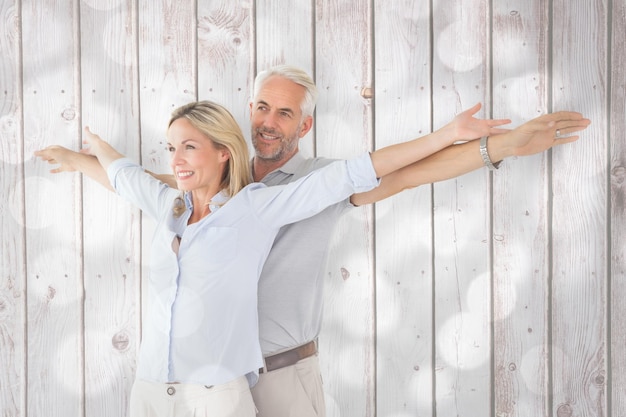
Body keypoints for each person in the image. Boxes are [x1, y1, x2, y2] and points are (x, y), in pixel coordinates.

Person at [35, 66, 591, 417]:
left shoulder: (309, 185)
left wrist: (499, 148)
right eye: (261, 107)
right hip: (190, 379)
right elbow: (137, 180)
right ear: (244, 118)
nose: (269, 121)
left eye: (285, 112)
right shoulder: (203, 188)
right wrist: (78, 156)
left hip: (278, 373)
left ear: (303, 126)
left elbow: (401, 173)